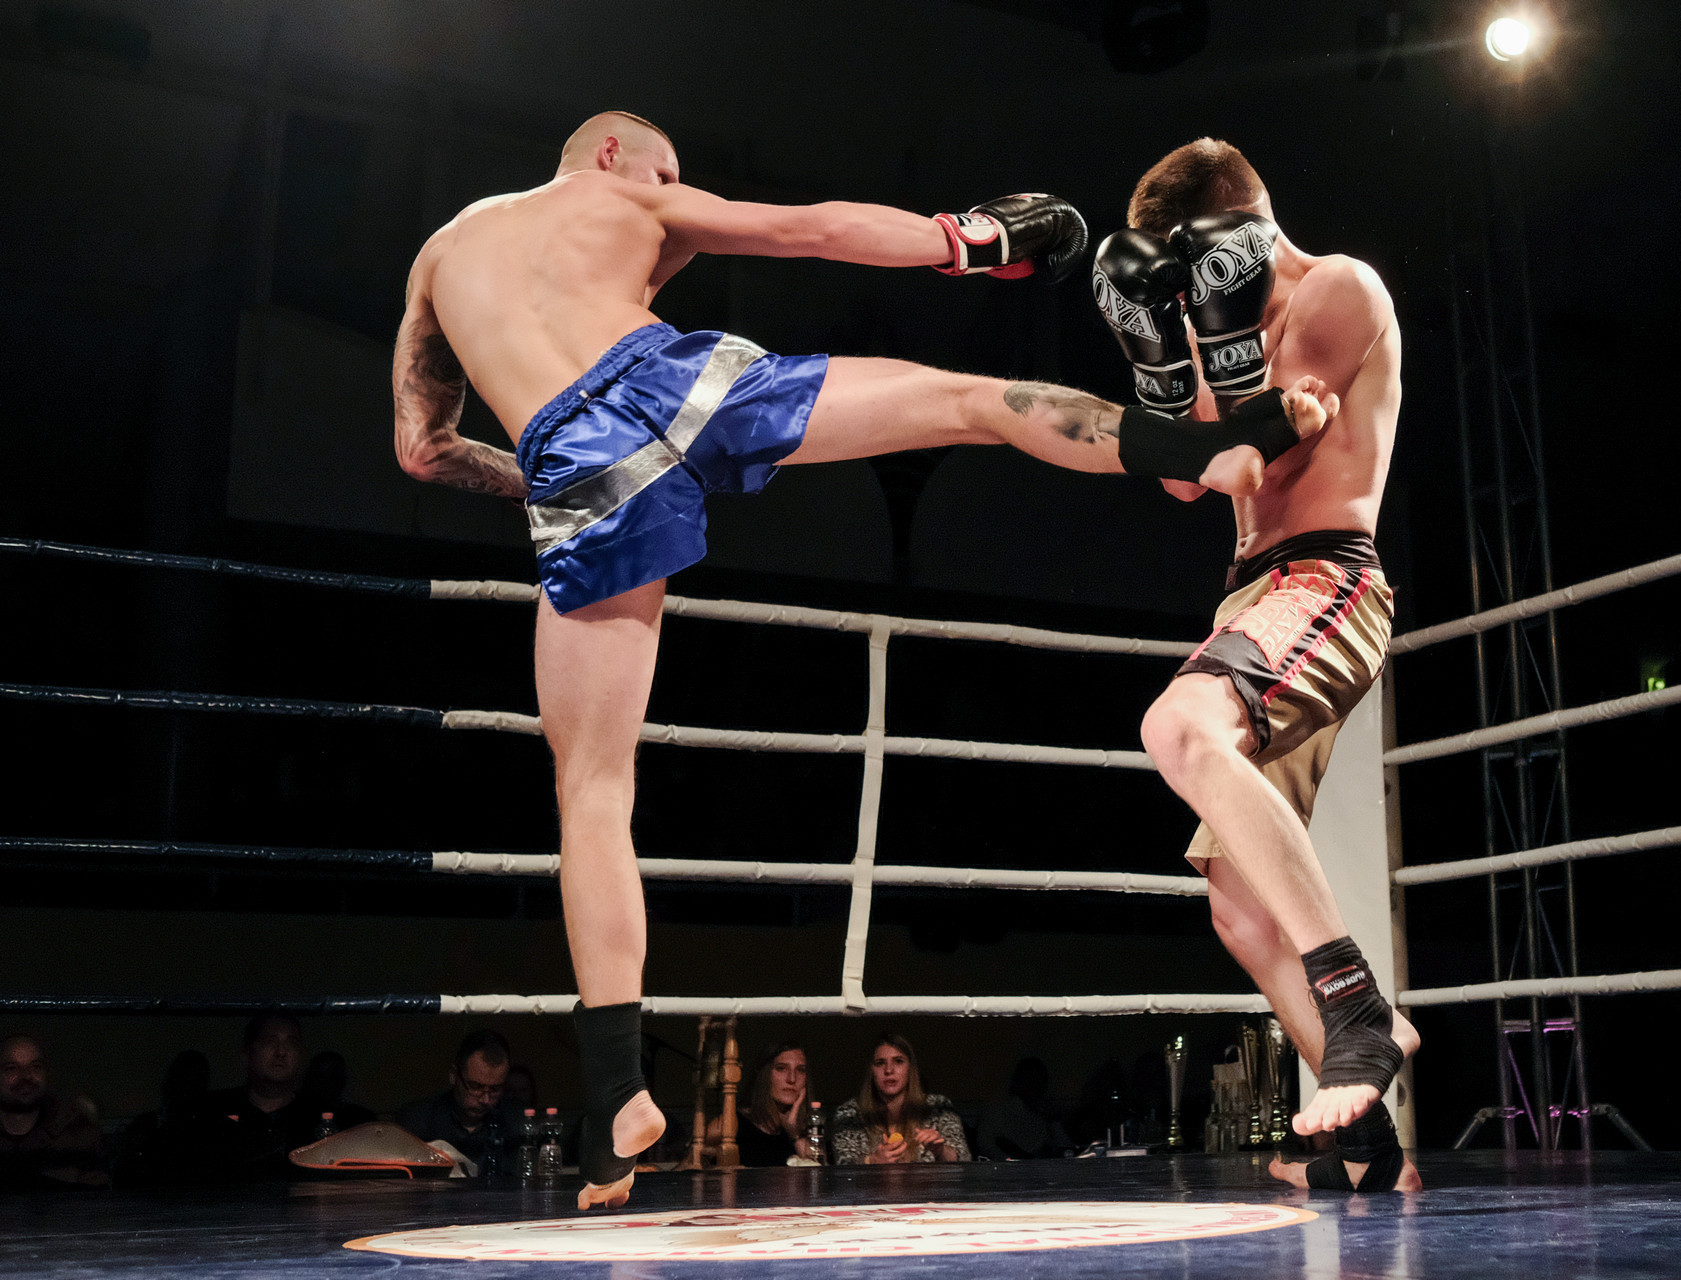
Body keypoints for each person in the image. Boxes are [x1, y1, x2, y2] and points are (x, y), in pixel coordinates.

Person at [390, 110, 1321, 1209]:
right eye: (667, 171)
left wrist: (558, 489)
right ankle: (1199, 447)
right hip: (679, 379)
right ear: (609, 156)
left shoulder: (439, 259)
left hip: (569, 456)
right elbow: (809, 229)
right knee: (966, 400)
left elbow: (424, 448)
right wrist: (965, 240)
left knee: (592, 791)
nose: (672, 195)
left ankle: (615, 1100)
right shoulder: (619, 192)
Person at [1097, 138, 1422, 1192]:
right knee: (1237, 904)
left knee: (1177, 726)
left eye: (1188, 268)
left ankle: (1358, 1008)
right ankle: (1372, 1152)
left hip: (1327, 579)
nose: (1182, 294)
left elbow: (1268, 439)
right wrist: (1159, 360)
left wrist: (1218, 386)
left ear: (1235, 233)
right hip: (1253, 599)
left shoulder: (1338, 287)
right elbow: (1186, 481)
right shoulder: (1214, 332)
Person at [200, 1015, 324, 1180]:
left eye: (291, 1043)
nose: (281, 1052)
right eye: (269, 1042)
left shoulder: (318, 1118)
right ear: (246, 1054)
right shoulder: (211, 1113)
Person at [831, 1035, 968, 1165]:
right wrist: (871, 1161)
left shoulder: (937, 1107)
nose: (889, 1070)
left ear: (910, 1068)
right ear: (872, 1071)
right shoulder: (850, 1113)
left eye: (898, 1061)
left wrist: (940, 1150)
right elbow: (844, 1163)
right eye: (880, 1063)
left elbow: (963, 1159)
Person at [0, 1033, 107, 1189]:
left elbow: (98, 1197)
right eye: (12, 1068)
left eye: (36, 1066)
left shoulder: (78, 1135)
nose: (27, 1076)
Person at [393, 1029, 512, 1165]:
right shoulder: (417, 1121)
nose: (485, 1099)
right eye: (475, 1086)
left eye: (495, 1089)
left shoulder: (516, 1125)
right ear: (454, 1075)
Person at [114, 1049, 226, 1187]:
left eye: (194, 1082)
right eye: (184, 1081)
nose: (188, 1090)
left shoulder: (213, 1125)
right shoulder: (148, 1125)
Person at [736, 1042, 824, 1167]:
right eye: (781, 1068)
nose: (792, 1079)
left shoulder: (809, 1126)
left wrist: (795, 1135)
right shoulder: (734, 1124)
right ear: (765, 1075)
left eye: (800, 1070)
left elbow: (818, 1171)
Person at [976, 1057, 1069, 1160]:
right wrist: (1008, 1161)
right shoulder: (998, 1110)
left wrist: (1054, 1121)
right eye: (1030, 1081)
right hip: (1007, 1167)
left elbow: (1063, 1148)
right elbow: (985, 1144)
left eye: (1038, 1081)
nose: (1034, 1086)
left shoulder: (1044, 1113)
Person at [295, 1050, 378, 1132]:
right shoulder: (296, 1115)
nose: (327, 1083)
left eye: (333, 1075)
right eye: (321, 1076)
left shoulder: (361, 1117)